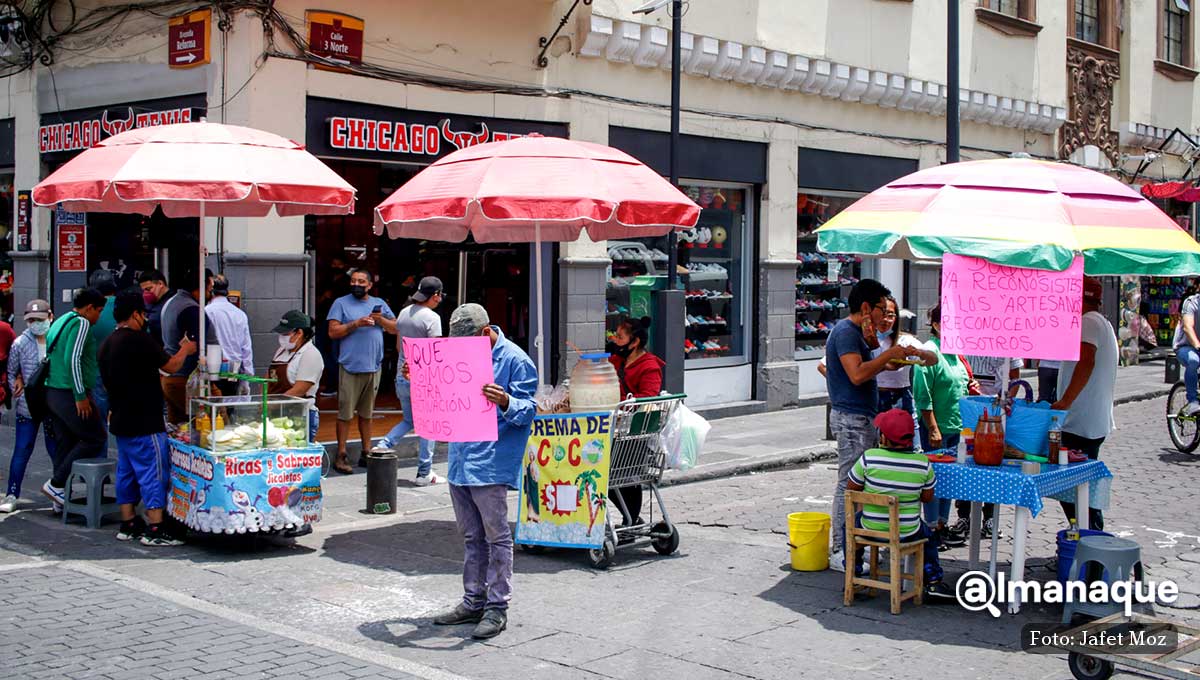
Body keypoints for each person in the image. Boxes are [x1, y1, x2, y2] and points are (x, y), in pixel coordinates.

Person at [427, 304, 537, 640]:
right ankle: (473, 600)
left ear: (485, 331)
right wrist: (420, 378)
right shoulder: (459, 354)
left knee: (496, 536)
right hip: (460, 458)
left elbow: (529, 410)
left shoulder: (515, 360)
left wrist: (506, 401)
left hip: (491, 461)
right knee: (471, 536)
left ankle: (497, 606)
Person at [825, 279, 923, 572]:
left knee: (862, 483)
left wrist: (896, 360)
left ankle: (858, 545)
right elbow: (856, 374)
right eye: (882, 308)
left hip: (861, 417)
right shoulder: (846, 332)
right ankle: (841, 550)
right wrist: (887, 355)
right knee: (849, 484)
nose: (885, 315)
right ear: (866, 307)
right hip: (851, 418)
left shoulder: (859, 334)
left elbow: (872, 368)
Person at [99, 289, 197, 546]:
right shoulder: (139, 340)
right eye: (143, 314)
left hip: (120, 421)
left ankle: (128, 522)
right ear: (135, 314)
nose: (144, 319)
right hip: (145, 422)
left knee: (127, 472)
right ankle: (156, 527)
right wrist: (185, 349)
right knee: (154, 473)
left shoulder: (107, 344)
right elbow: (171, 366)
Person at [845, 408, 956, 601]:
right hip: (907, 532)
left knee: (849, 526)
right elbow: (927, 498)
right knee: (929, 537)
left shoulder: (869, 457)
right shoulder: (923, 463)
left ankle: (854, 572)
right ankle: (933, 581)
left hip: (870, 528)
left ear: (884, 438)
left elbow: (852, 488)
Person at [1053, 276, 1118, 531]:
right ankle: (1086, 532)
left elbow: (1086, 361)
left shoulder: (1088, 322)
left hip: (1080, 422)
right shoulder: (1103, 323)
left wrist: (1065, 402)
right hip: (1090, 421)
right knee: (1079, 486)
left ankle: (1087, 534)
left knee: (1071, 486)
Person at [41, 288, 107, 509]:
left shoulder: (60, 320)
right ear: (89, 308)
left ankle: (60, 496)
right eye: (99, 311)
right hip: (69, 393)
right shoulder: (81, 323)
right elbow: (73, 358)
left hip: (53, 392)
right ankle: (56, 484)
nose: (99, 316)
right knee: (95, 437)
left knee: (66, 441)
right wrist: (80, 396)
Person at [326, 268, 397, 473]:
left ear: (369, 285)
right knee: (345, 414)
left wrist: (379, 319)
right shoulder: (340, 303)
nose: (356, 284)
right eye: (353, 281)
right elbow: (333, 332)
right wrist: (356, 323)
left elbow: (394, 328)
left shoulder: (379, 303)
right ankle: (341, 454)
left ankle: (367, 452)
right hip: (350, 367)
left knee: (367, 414)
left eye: (361, 282)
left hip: (373, 367)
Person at [912, 304, 970, 548]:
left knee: (950, 479)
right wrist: (933, 427)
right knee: (933, 480)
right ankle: (932, 527)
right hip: (936, 428)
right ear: (936, 325)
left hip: (956, 427)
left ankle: (943, 525)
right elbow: (922, 394)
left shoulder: (956, 352)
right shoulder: (929, 351)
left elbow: (962, 384)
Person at [377, 276, 444, 486]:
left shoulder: (404, 313)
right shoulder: (432, 318)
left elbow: (399, 347)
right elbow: (434, 353)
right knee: (428, 425)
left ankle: (383, 445)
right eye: (439, 295)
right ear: (435, 296)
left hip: (402, 375)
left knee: (409, 420)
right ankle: (424, 473)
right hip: (423, 379)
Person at [606, 316, 666, 527]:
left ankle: (631, 520)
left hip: (635, 433)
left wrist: (623, 405)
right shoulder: (616, 361)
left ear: (635, 342)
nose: (615, 340)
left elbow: (648, 398)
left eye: (620, 337)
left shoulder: (649, 366)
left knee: (623, 475)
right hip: (613, 429)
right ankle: (631, 520)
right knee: (609, 476)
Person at [1, 300, 58, 512]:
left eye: (40, 319)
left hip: (54, 405)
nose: (36, 324)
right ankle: (12, 493)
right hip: (28, 406)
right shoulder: (20, 343)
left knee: (56, 451)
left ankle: (58, 494)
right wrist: (18, 389)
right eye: (31, 320)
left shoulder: (57, 339)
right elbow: (11, 371)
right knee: (22, 450)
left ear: (50, 317)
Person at [159, 268, 218, 426]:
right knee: (212, 424)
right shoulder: (191, 309)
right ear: (201, 287)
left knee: (179, 428)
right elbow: (195, 346)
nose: (211, 293)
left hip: (171, 378)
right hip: (188, 381)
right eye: (209, 288)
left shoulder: (171, 303)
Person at [873, 297, 933, 444]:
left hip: (901, 396)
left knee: (911, 445)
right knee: (876, 447)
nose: (885, 320)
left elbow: (933, 359)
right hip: (873, 397)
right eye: (882, 314)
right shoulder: (865, 340)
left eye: (890, 315)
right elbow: (824, 366)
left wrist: (919, 353)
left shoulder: (905, 340)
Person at [268, 311, 325, 444]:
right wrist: (263, 401)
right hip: (276, 413)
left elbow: (299, 390)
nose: (281, 337)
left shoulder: (311, 354)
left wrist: (271, 405)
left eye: (285, 334)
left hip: (300, 417)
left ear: (299, 333)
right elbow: (268, 378)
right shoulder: (281, 351)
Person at [205, 275, 254, 396]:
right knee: (230, 402)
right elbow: (246, 347)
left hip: (213, 368)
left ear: (211, 291)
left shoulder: (207, 311)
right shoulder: (239, 314)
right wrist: (247, 377)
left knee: (213, 404)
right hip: (234, 369)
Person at [88, 269, 119, 427]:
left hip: (96, 369)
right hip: (122, 368)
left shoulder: (90, 311)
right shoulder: (124, 306)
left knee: (99, 418)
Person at [1173, 283, 1200, 415]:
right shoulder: (1191, 303)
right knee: (1194, 361)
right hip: (1185, 346)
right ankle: (1192, 401)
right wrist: (1197, 345)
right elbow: (1188, 327)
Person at [137, 269, 171, 347]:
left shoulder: (173, 303)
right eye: (143, 290)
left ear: (160, 284)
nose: (146, 293)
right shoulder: (147, 303)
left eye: (149, 289)